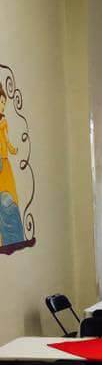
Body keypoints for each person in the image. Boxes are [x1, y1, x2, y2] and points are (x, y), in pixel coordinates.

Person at [0, 89, 25, 247]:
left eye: (4, 103)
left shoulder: (3, 122)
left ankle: (12, 239)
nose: (2, 106)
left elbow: (6, 139)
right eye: (1, 102)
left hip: (4, 161)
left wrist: (12, 149)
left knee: (9, 198)